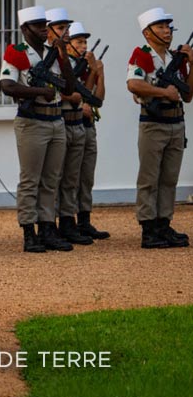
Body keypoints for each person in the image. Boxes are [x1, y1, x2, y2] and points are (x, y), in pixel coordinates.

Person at [0, 5, 76, 253]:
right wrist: (39, 91)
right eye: (38, 26)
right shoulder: (17, 51)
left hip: (55, 120)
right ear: (25, 29)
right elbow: (7, 85)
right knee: (30, 179)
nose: (44, 30)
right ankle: (29, 230)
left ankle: (47, 227)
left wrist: (63, 54)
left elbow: (69, 87)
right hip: (32, 120)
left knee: (51, 179)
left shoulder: (51, 52)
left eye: (45, 25)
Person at [127, 7, 192, 248]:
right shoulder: (142, 55)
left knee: (169, 178)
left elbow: (187, 95)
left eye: (168, 27)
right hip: (154, 123)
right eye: (161, 27)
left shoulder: (176, 57)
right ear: (147, 33)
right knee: (149, 178)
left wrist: (192, 63)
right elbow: (133, 84)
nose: (167, 31)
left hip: (176, 123)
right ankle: (148, 227)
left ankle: (164, 223)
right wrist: (163, 91)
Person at [47, 9, 95, 246]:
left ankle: (68, 222)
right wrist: (71, 98)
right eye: (61, 29)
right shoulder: (50, 57)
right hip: (60, 119)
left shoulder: (66, 58)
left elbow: (92, 94)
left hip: (77, 122)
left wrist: (96, 70)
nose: (66, 33)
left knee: (72, 178)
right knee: (55, 177)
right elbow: (57, 89)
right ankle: (51, 223)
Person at [66, 21, 109, 240]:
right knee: (70, 176)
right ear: (68, 44)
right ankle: (67, 221)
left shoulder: (88, 64)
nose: (83, 46)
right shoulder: (66, 65)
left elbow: (97, 97)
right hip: (71, 123)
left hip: (89, 125)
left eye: (84, 42)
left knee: (86, 176)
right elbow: (77, 94)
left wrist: (98, 72)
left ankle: (84, 219)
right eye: (78, 42)